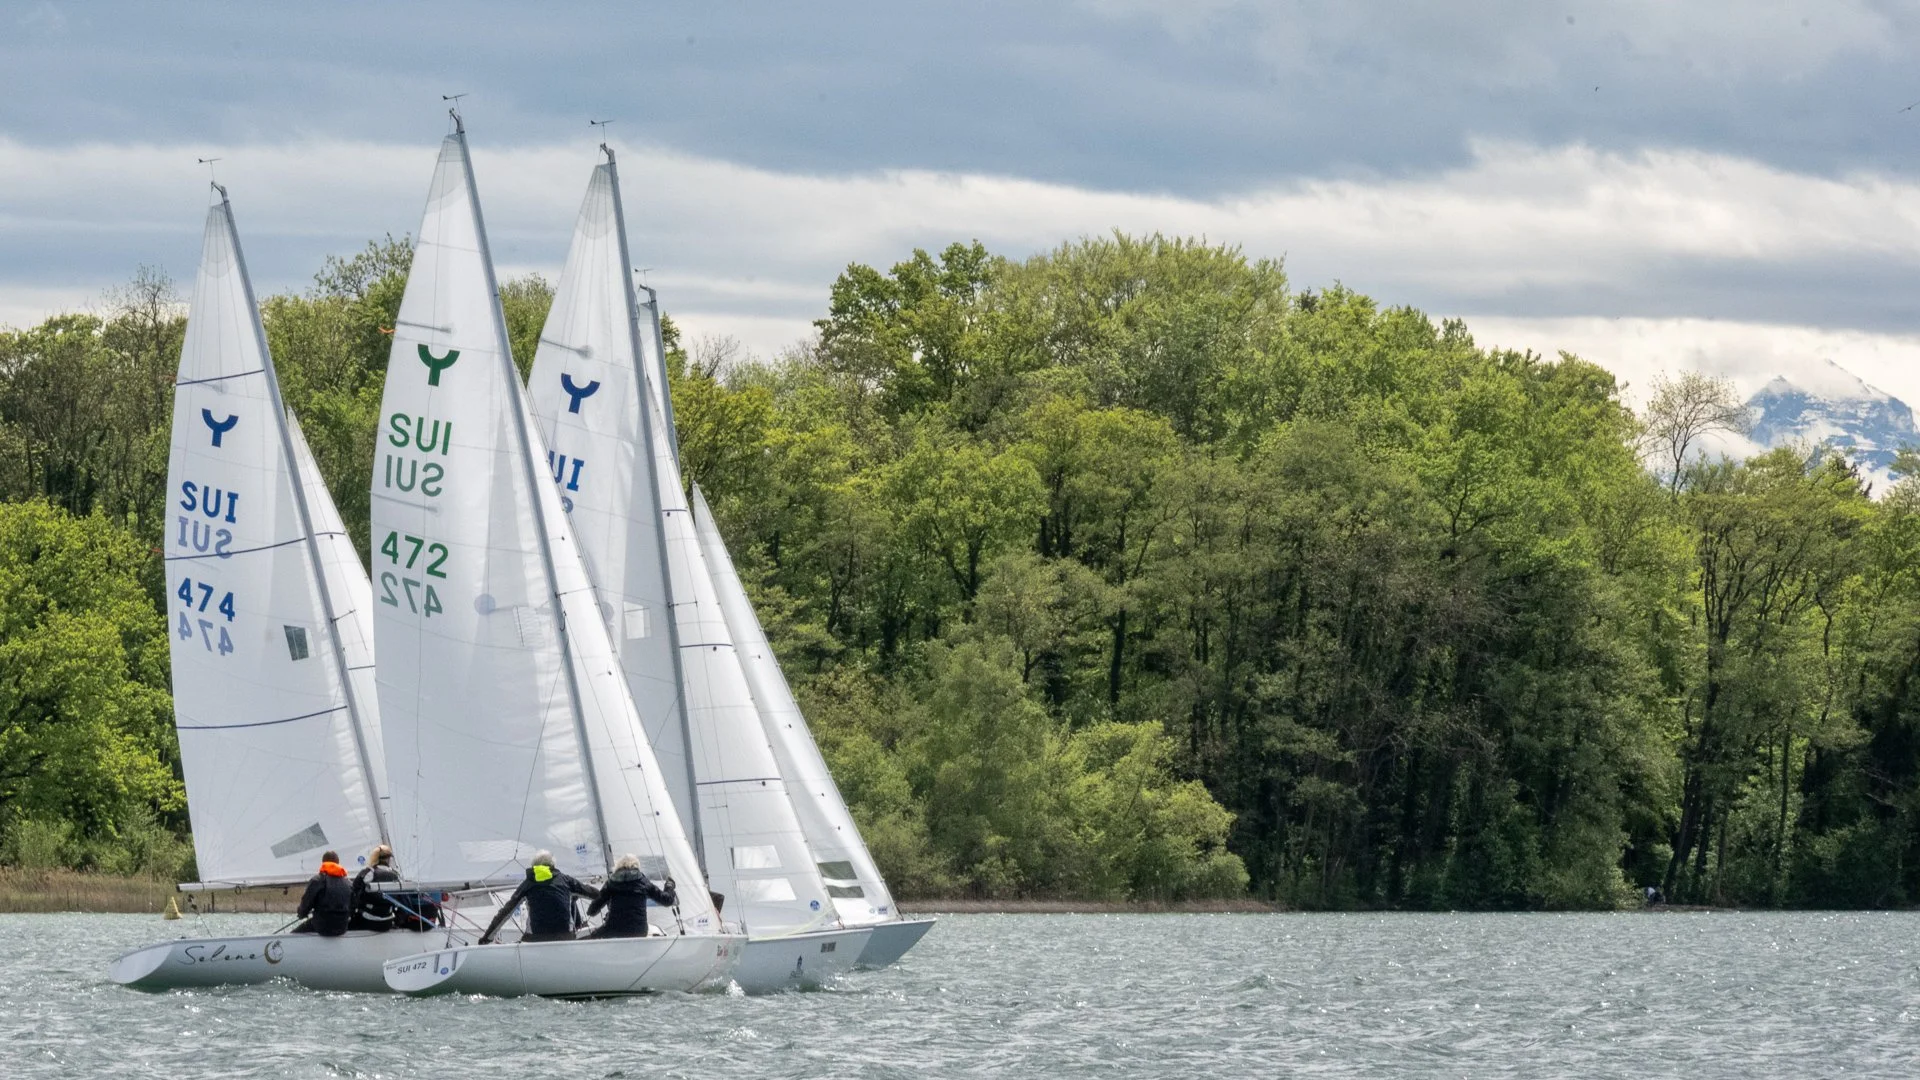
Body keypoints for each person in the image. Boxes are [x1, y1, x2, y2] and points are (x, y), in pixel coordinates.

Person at [479, 850, 599, 944]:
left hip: (535, 940)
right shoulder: (565, 880)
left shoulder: (528, 883)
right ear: (552, 865)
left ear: (534, 866)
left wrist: (487, 938)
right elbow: (596, 894)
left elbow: (506, 912)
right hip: (565, 938)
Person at [586, 854, 677, 938]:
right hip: (639, 931)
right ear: (636, 867)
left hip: (613, 929)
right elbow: (667, 900)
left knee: (593, 936)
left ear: (618, 867)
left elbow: (592, 911)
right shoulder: (643, 882)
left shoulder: (611, 883)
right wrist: (669, 885)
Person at [292, 850, 352, 936]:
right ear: (338, 863)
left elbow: (306, 904)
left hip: (322, 927)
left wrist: (301, 914)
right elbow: (353, 905)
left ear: (323, 863)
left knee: (294, 934)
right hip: (342, 927)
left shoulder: (317, 880)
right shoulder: (348, 883)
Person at [349, 844, 400, 932]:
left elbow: (353, 893)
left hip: (368, 921)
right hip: (388, 922)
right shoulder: (395, 875)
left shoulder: (368, 873)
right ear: (389, 859)